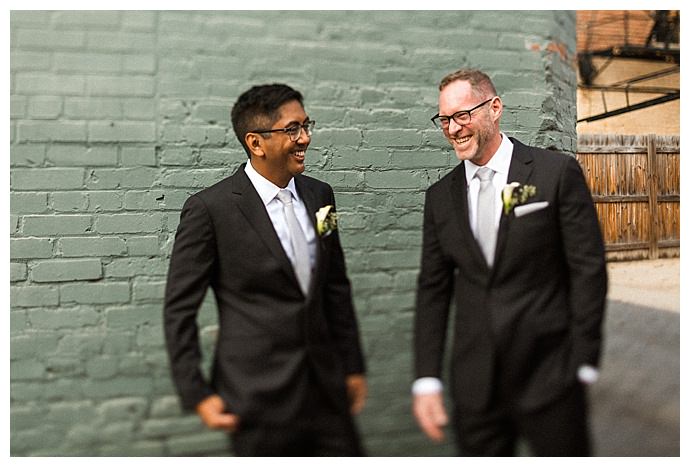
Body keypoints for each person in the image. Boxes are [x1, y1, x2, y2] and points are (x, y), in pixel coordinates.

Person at [163, 83, 367, 456]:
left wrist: (352, 365)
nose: (305, 138)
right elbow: (180, 308)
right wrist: (197, 392)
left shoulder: (320, 196)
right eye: (293, 129)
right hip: (257, 400)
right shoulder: (211, 210)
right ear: (256, 143)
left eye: (306, 126)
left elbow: (335, 285)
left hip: (325, 390)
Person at [412, 69, 607, 456]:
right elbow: (433, 290)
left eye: (462, 115)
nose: (452, 128)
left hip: (550, 375)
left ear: (495, 108)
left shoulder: (555, 173)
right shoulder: (440, 197)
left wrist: (583, 360)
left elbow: (587, 267)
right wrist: (427, 380)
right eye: (445, 119)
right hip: (476, 387)